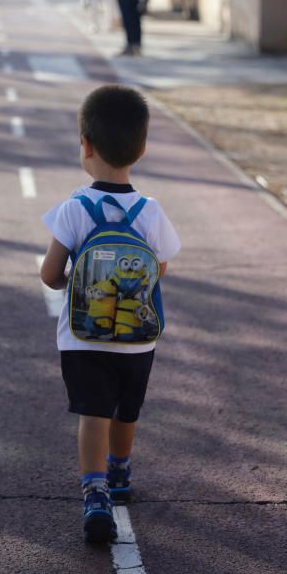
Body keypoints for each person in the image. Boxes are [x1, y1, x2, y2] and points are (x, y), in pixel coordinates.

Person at [39, 85, 181, 543]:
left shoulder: (75, 208)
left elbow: (49, 273)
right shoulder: (150, 210)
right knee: (126, 409)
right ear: (140, 149)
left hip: (83, 336)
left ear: (85, 145)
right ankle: (120, 474)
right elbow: (160, 266)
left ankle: (94, 489)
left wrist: (70, 285)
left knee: (92, 411)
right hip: (138, 336)